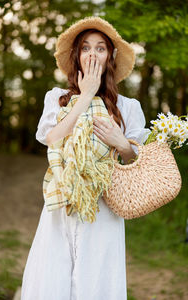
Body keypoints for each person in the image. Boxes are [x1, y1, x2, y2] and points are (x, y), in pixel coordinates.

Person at [20, 16, 151, 300]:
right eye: (86, 48)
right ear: (77, 56)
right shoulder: (57, 98)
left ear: (110, 56)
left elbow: (137, 158)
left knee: (97, 281)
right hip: (62, 202)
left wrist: (122, 143)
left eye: (101, 48)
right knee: (52, 278)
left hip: (104, 206)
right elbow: (51, 138)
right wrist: (87, 95)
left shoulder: (128, 107)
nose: (93, 54)